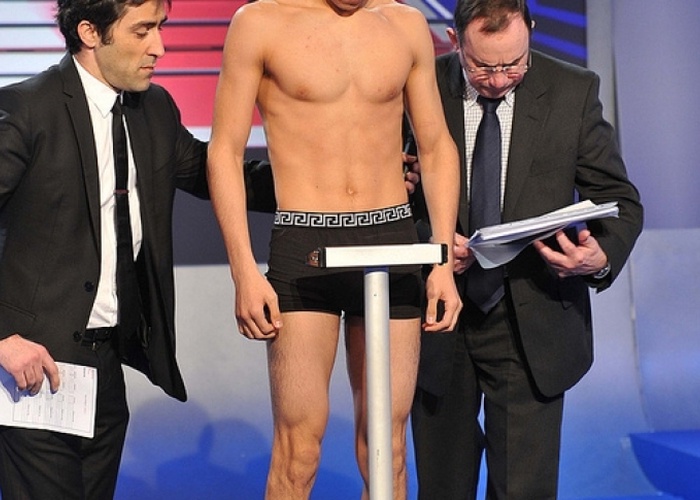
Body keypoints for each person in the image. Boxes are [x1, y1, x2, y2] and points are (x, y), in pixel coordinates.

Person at [0, 0, 278, 497]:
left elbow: (219, 177)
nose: (160, 47)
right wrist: (2, 339)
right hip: (30, 370)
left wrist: (335, 186)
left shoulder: (154, 109)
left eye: (161, 28)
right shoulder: (26, 109)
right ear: (90, 32)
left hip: (105, 370)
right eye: (142, 31)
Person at [206, 0, 463, 497]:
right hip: (304, 241)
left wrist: (442, 262)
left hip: (391, 239)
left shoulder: (405, 24)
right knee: (298, 449)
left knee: (386, 446)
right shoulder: (259, 23)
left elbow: (435, 146)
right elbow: (225, 150)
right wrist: (243, 270)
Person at [409, 0, 644, 499]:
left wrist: (598, 258)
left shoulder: (573, 91)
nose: (498, 79)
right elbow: (386, 198)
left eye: (514, 63)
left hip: (530, 318)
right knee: (441, 488)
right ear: (455, 41)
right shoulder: (419, 87)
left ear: (531, 32)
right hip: (437, 319)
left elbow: (620, 201)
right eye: (482, 66)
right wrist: (429, 243)